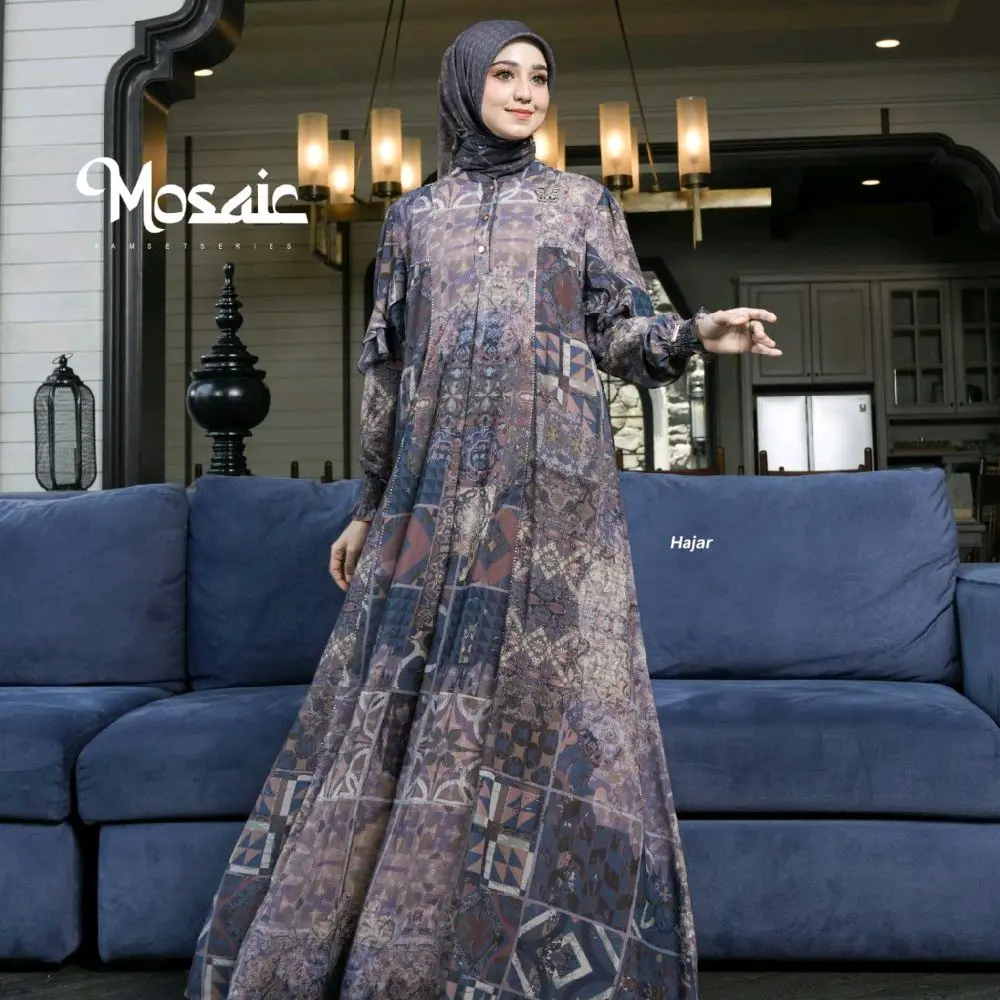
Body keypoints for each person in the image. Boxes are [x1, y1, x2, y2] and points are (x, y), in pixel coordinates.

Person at [186, 19, 780, 1000]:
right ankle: (419, 953)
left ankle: (547, 960)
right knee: (415, 703)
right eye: (503, 74)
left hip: (557, 496)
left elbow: (618, 332)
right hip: (435, 500)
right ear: (465, 86)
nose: (524, 91)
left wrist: (695, 331)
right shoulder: (415, 221)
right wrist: (369, 506)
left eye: (539, 76)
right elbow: (386, 374)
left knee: (555, 711)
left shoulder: (582, 205)